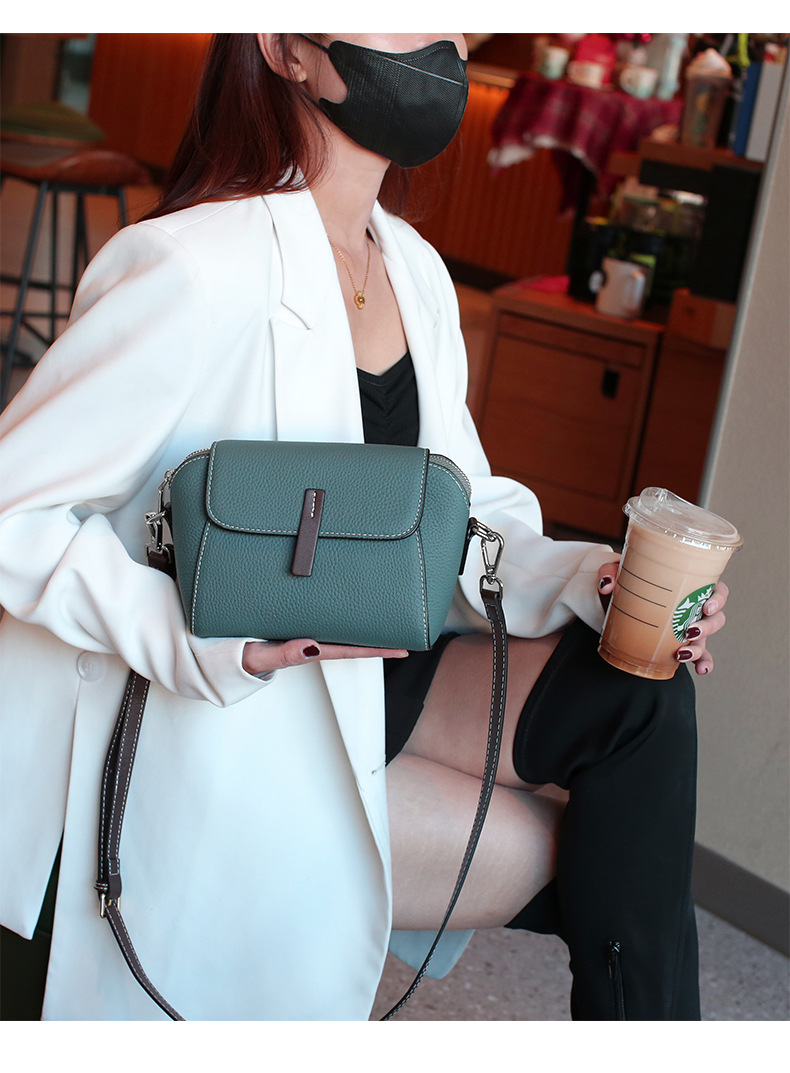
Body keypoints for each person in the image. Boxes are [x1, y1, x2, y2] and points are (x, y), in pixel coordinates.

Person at [0, 33, 729, 1021]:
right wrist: (196, 635)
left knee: (643, 698)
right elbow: (14, 507)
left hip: (374, 670)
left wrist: (597, 579)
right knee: (615, 852)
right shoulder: (194, 267)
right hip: (235, 703)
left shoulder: (416, 270)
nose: (440, 38)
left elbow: (461, 505)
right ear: (286, 47)